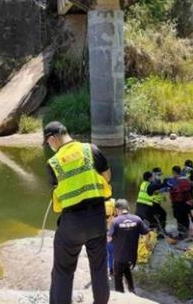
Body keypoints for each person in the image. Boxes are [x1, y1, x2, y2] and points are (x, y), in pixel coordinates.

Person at [44, 121, 111, 304]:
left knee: (63, 270)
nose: (50, 147)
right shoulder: (91, 149)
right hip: (97, 219)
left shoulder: (53, 163)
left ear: (52, 139)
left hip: (71, 222)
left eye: (49, 143)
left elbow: (57, 190)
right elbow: (107, 176)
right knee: (99, 268)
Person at [108, 199, 148, 294]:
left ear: (117, 209)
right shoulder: (137, 219)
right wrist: (147, 244)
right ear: (127, 208)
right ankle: (131, 289)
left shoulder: (115, 221)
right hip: (132, 255)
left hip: (119, 256)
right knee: (127, 270)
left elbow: (109, 238)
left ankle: (120, 294)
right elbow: (146, 233)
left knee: (118, 276)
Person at [168, 166, 193, 239]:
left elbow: (171, 193)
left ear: (174, 172)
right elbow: (190, 187)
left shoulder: (173, 181)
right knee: (185, 216)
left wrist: (172, 201)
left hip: (178, 202)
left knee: (179, 218)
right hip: (187, 201)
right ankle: (186, 231)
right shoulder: (186, 179)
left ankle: (182, 234)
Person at [150, 167, 168, 233]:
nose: (159, 176)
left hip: (157, 202)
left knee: (159, 215)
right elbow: (154, 192)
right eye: (158, 174)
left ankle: (159, 230)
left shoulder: (159, 180)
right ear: (154, 174)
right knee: (162, 214)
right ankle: (160, 231)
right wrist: (163, 189)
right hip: (152, 202)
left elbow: (160, 189)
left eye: (160, 175)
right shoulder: (151, 181)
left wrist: (163, 196)